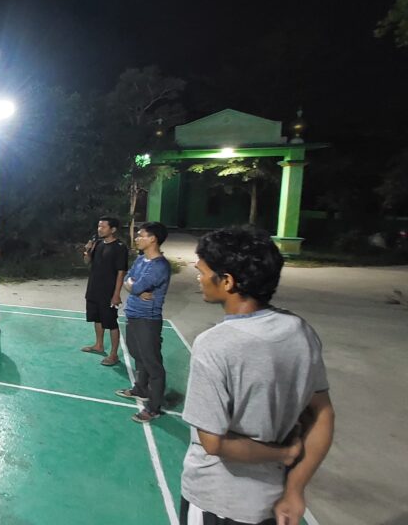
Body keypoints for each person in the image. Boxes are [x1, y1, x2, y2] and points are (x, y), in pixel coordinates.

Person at [182, 228, 334, 525]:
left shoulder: (214, 345)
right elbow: (323, 414)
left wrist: (284, 453)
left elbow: (213, 444)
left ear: (227, 281)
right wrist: (295, 490)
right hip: (270, 500)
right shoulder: (299, 331)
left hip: (217, 501)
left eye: (202, 272)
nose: (198, 278)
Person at [115, 221, 171, 423]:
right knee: (137, 354)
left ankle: (154, 408)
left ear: (153, 239)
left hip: (148, 319)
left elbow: (137, 286)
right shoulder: (140, 259)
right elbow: (129, 281)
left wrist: (134, 287)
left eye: (141, 235)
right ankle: (141, 389)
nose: (137, 238)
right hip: (133, 314)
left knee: (152, 363)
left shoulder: (159, 266)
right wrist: (134, 287)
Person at [80, 216, 129, 366]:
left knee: (111, 322)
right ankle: (99, 345)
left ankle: (114, 355)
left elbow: (121, 272)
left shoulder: (120, 247)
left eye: (103, 227)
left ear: (112, 229)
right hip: (93, 288)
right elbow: (87, 262)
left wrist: (116, 294)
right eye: (98, 226)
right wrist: (87, 251)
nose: (99, 229)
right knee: (97, 318)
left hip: (108, 291)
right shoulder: (98, 244)